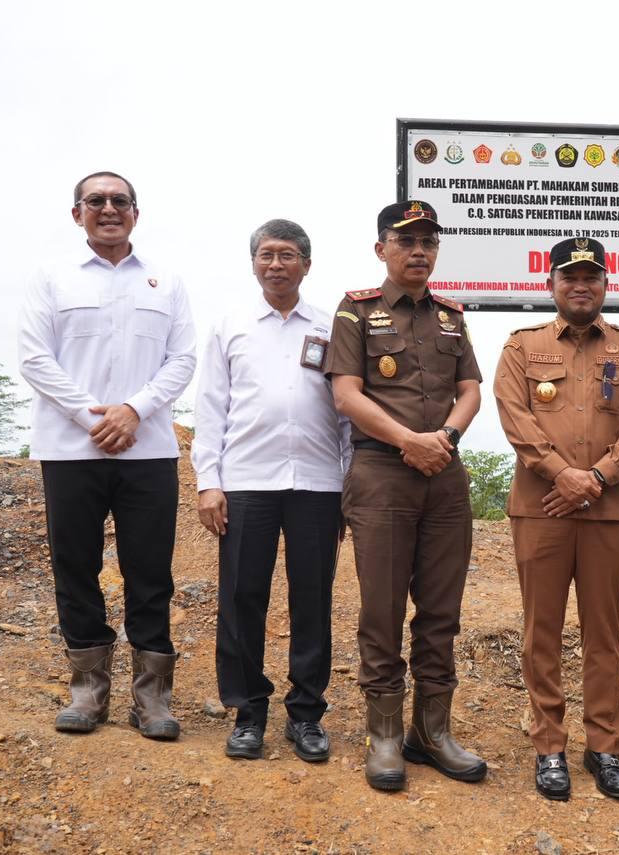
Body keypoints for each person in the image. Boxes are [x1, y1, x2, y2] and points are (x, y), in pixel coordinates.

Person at [18, 171, 196, 740]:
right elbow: (33, 357)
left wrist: (133, 411)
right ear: (78, 214)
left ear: (136, 214)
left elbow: (183, 359)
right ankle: (88, 691)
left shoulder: (165, 283)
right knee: (75, 567)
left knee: (150, 572)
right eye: (96, 201)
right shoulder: (51, 279)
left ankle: (152, 699)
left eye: (120, 201)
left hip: (148, 451)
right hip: (70, 450)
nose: (109, 208)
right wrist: (93, 416)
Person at [324, 200, 486, 791]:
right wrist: (408, 441)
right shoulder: (355, 311)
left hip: (444, 473)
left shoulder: (451, 316)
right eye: (406, 240)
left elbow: (470, 389)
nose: (419, 250)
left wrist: (443, 437)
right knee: (383, 608)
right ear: (381, 249)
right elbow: (346, 394)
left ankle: (432, 732)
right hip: (381, 474)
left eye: (429, 241)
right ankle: (385, 735)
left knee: (442, 610)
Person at [494, 237, 619, 802]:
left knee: (603, 634)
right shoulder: (522, 346)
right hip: (542, 507)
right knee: (541, 630)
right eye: (570, 276)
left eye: (591, 276)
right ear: (552, 285)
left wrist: (597, 479)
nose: (580, 285)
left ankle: (605, 747)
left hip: (608, 510)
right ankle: (549, 746)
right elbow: (515, 418)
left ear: (606, 285)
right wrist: (563, 475)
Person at [192, 219, 346, 763]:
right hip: (246, 482)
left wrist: (347, 484)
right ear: (253, 262)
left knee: (313, 600)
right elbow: (210, 408)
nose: (275, 264)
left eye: (287, 255)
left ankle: (305, 714)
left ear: (307, 262)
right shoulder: (230, 326)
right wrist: (209, 482)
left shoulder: (334, 326)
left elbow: (347, 413)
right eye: (265, 255)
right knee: (241, 597)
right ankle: (248, 711)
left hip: (319, 484)